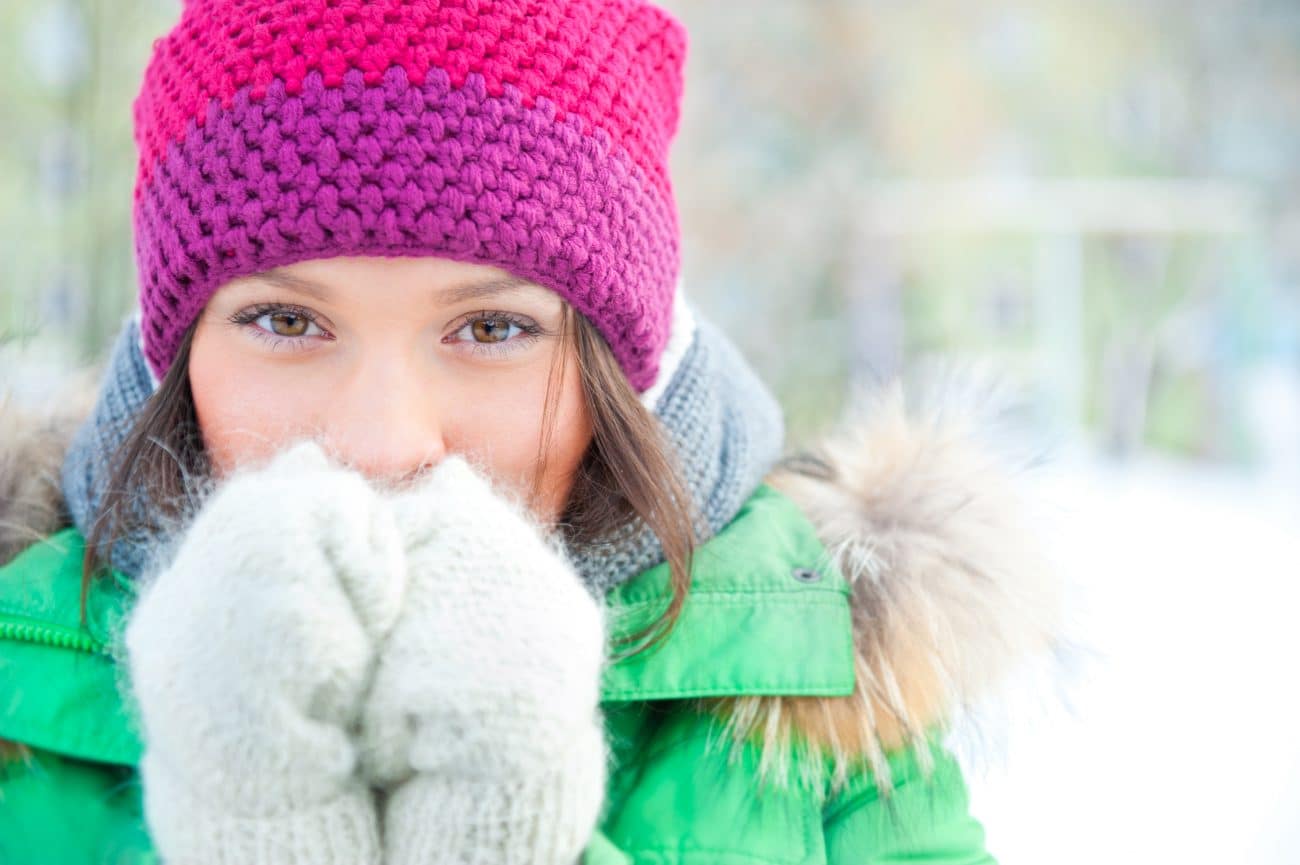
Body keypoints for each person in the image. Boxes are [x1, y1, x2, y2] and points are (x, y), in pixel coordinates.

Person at [0, 1, 1063, 862]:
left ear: (619, 366)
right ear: (171, 359)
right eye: (286, 321)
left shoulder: (815, 696)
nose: (378, 441)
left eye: (492, 327)